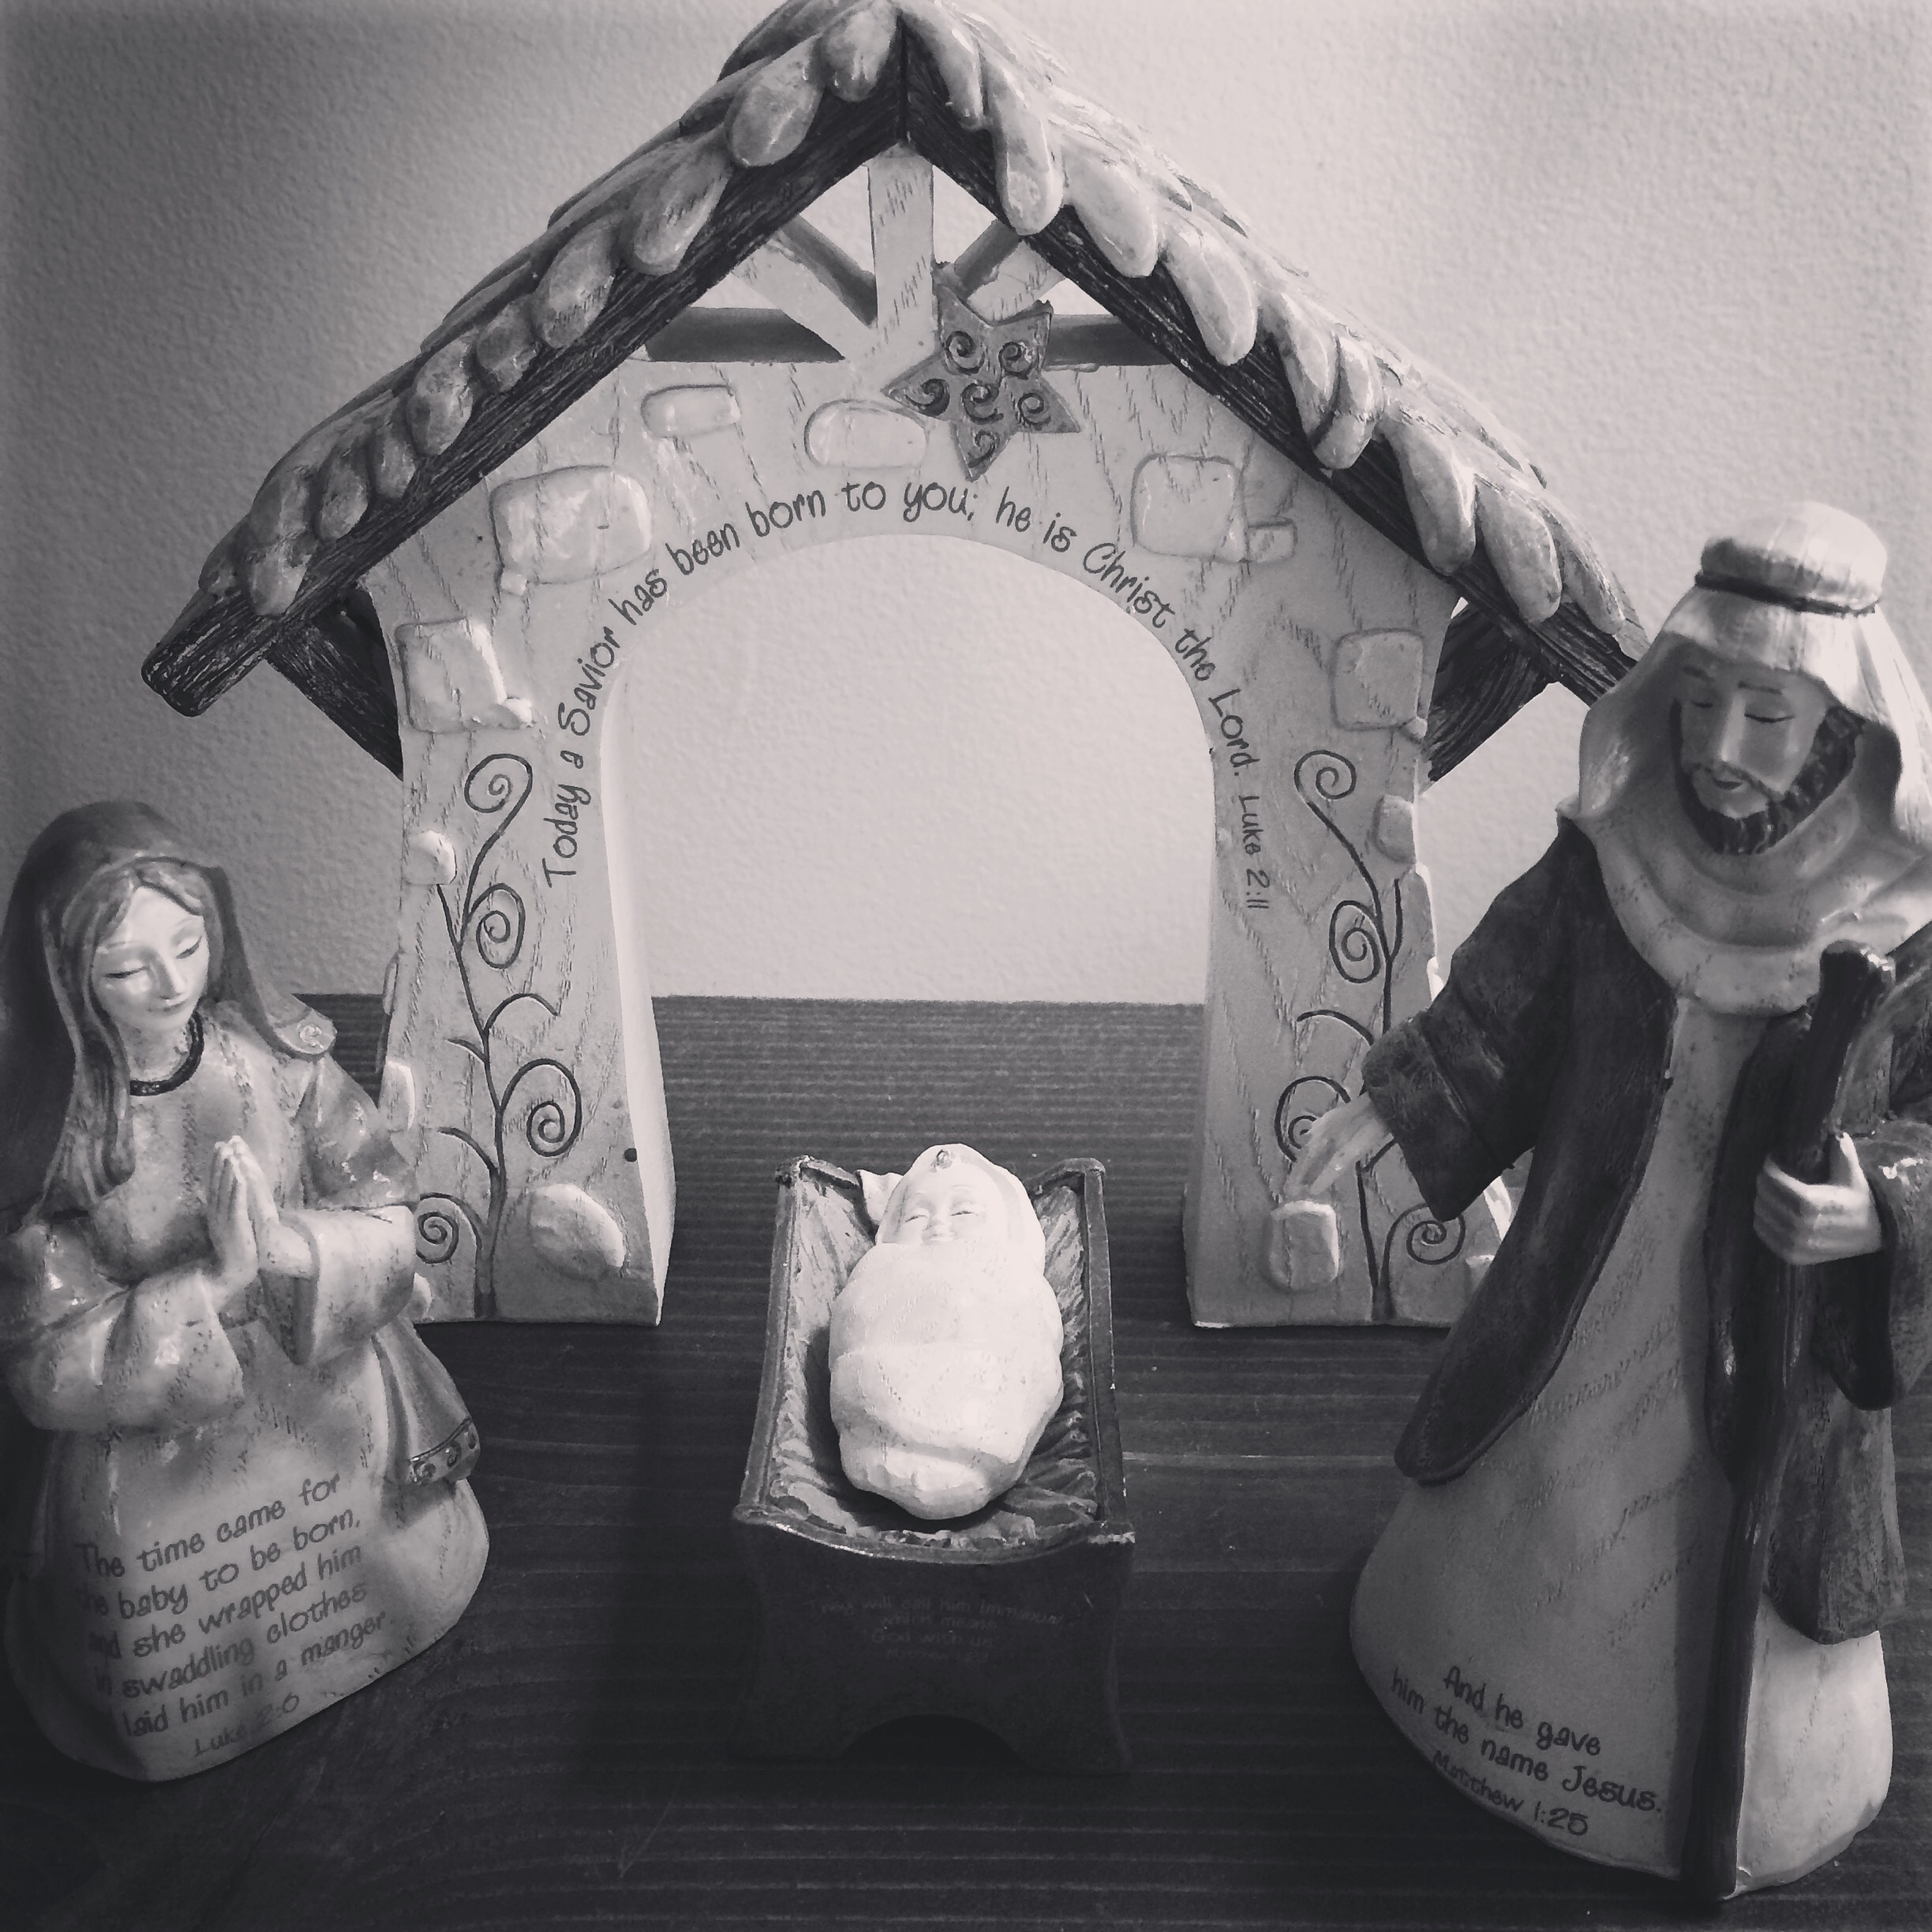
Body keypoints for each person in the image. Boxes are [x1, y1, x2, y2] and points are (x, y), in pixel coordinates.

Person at [1294, 504, 1932, 1889]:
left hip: (1762, 1346)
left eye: (1767, 716)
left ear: (1843, 729)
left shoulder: (1910, 918)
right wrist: (1399, 1097)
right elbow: (1506, 1002)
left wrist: (1877, 1207)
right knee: (1533, 1517)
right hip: (1580, 1286)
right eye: (1698, 701)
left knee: (1719, 1566)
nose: (1718, 746)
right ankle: (1472, 1680)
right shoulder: (1616, 854)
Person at [0, 802, 486, 1779]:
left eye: (187, 946)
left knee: (395, 1551)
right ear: (67, 977)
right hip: (156, 1439)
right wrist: (210, 1283)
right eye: (126, 968)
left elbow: (384, 1198)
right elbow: (45, 1361)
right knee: (142, 1591)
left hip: (322, 1383)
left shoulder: (279, 1060)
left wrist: (292, 1249)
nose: (170, 983)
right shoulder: (55, 1141)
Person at [830, 1144, 1063, 1519]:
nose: (938, 1224)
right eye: (916, 1216)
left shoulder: (1012, 1272)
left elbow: (1038, 1356)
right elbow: (847, 1334)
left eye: (964, 1211)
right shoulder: (880, 1269)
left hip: (986, 1430)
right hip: (868, 1424)